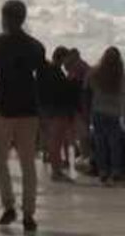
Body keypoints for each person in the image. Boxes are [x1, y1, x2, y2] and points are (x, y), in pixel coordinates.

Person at [0, 0, 45, 234]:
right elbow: (40, 78)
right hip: (29, 110)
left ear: (4, 18)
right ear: (23, 18)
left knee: (0, 160)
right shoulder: (36, 46)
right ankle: (29, 213)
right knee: (28, 164)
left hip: (4, 108)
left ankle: (9, 205)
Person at [89, 46, 125, 186]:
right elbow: (124, 93)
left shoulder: (96, 73)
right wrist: (124, 112)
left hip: (98, 110)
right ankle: (116, 170)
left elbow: (91, 90)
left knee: (100, 143)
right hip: (113, 112)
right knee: (114, 143)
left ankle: (103, 170)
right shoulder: (120, 75)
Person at [38, 47, 75, 182]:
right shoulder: (56, 72)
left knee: (52, 141)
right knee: (56, 142)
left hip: (46, 110)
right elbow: (62, 91)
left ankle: (56, 170)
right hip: (58, 110)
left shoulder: (44, 71)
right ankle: (57, 172)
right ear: (63, 58)